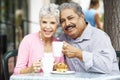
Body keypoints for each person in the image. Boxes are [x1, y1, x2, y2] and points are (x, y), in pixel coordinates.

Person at [59, 2, 119, 74]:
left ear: (82, 17)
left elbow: (106, 67)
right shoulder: (64, 38)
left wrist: (80, 54)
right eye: (63, 21)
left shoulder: (99, 37)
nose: (67, 23)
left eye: (70, 18)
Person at [14, 3, 64, 74]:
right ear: (40, 22)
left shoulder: (58, 44)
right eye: (44, 22)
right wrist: (30, 70)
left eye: (52, 23)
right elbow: (17, 71)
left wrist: (56, 68)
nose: (48, 27)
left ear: (57, 25)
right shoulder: (28, 40)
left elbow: (62, 70)